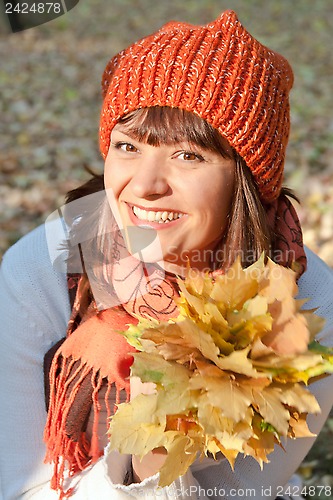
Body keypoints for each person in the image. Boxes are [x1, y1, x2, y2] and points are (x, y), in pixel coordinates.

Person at [0, 9, 333, 500]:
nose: (146, 186)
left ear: (245, 180)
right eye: (127, 146)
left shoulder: (305, 306)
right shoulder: (42, 272)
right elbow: (15, 485)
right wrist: (130, 470)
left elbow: (241, 491)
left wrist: (158, 463)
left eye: (188, 155)